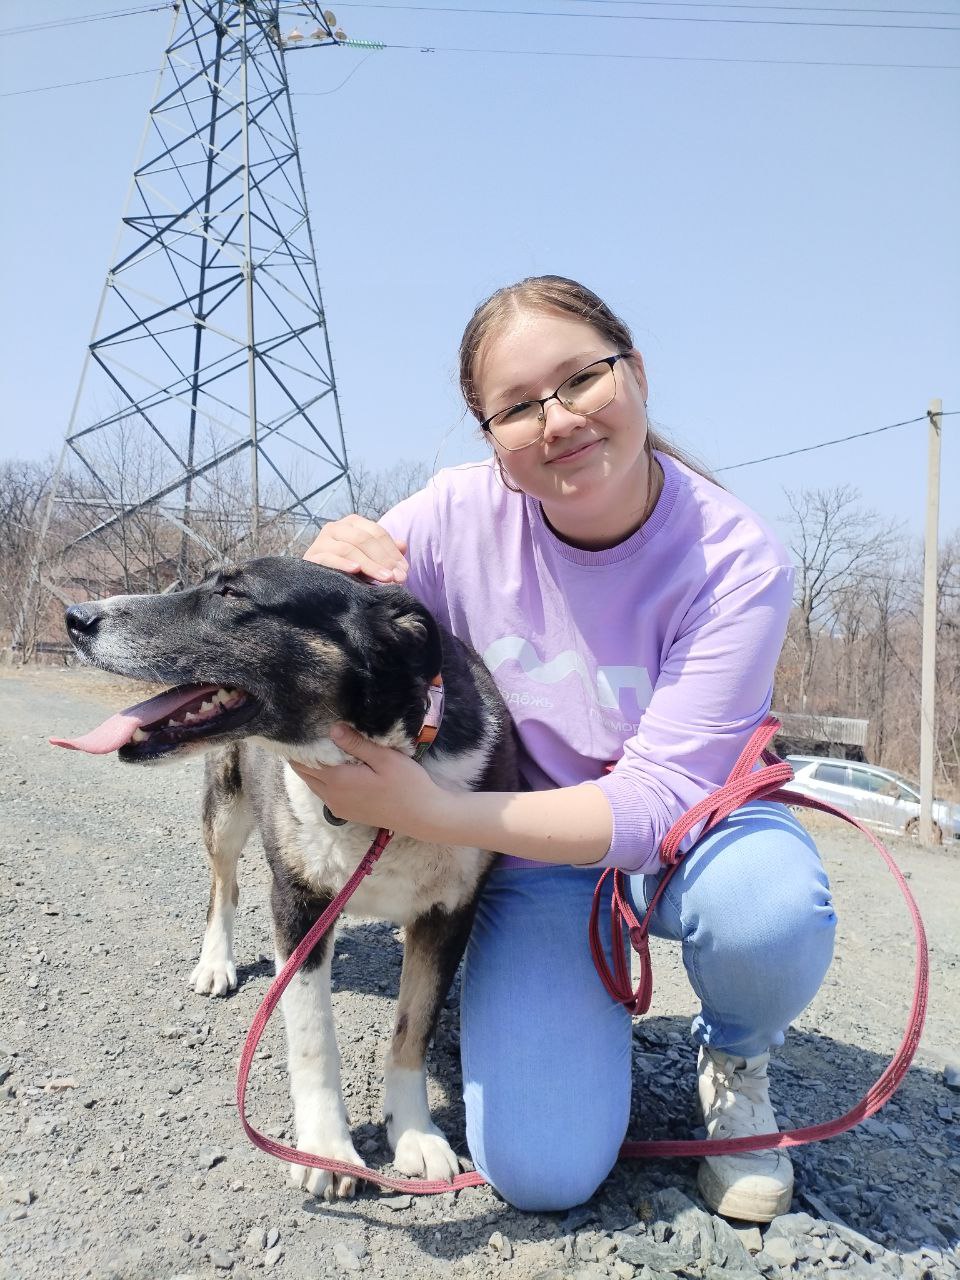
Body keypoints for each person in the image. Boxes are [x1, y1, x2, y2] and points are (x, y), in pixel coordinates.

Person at [296, 275, 837, 1221]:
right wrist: (317, 567)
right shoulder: (453, 519)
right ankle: (539, 1022)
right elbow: (337, 623)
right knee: (542, 1171)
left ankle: (737, 1056)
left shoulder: (737, 560)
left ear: (636, 372)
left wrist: (433, 814)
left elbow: (654, 804)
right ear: (489, 436)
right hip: (538, 859)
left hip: (689, 836)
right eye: (516, 407)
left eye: (582, 378)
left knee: (769, 907)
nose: (558, 421)